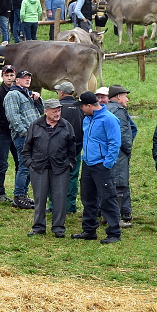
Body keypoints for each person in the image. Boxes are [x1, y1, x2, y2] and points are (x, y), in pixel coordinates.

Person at [21, 99, 76, 238]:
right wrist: (29, 163)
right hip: (39, 168)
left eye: (59, 111)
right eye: (54, 111)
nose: (57, 114)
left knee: (60, 199)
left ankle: (58, 228)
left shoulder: (66, 126)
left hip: (61, 169)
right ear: (46, 111)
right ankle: (38, 227)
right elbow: (26, 148)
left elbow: (72, 148)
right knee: (39, 199)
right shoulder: (35, 125)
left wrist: (70, 164)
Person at [72, 92, 122, 244]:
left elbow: (115, 143)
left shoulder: (109, 119)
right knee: (88, 198)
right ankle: (89, 229)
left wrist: (107, 163)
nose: (80, 109)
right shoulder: (87, 119)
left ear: (88, 105)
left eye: (81, 106)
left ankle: (114, 232)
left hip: (101, 166)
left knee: (107, 198)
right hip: (88, 164)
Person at [3, 70, 43, 209]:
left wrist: (38, 100)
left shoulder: (28, 94)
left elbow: (41, 112)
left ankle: (23, 195)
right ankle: (19, 196)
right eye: (24, 78)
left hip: (34, 135)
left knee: (29, 166)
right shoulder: (13, 95)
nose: (27, 80)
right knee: (24, 166)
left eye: (29, 78)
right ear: (17, 81)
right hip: (24, 137)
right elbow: (13, 116)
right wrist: (24, 133)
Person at [0, 65, 20, 203]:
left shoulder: (18, 91)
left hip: (16, 133)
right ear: (2, 76)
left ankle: (20, 191)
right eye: (7, 75)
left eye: (12, 75)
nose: (9, 78)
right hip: (3, 133)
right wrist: (7, 124)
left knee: (20, 162)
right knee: (2, 163)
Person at [105, 85, 136, 226]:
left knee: (108, 184)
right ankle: (114, 219)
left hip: (106, 153)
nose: (127, 99)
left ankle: (107, 215)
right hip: (118, 154)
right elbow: (123, 134)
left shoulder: (105, 108)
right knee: (118, 185)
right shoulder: (119, 111)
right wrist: (128, 149)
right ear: (118, 97)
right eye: (125, 96)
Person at [53, 82, 84, 214]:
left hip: (59, 149)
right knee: (72, 176)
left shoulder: (58, 109)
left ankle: (54, 206)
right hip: (76, 147)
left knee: (55, 176)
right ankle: (70, 207)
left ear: (61, 93)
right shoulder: (81, 108)